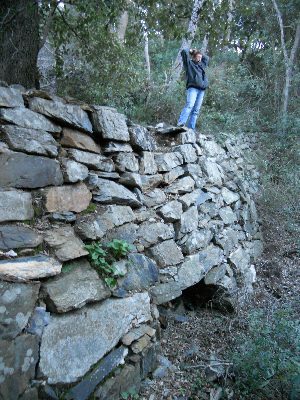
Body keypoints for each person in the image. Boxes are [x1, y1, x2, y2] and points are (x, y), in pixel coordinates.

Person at [177, 48, 209, 131]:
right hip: (193, 88)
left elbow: (207, 58)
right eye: (198, 57)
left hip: (201, 90)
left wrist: (199, 52)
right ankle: (181, 123)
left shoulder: (202, 65)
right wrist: (192, 51)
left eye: (200, 57)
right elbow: (184, 52)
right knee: (190, 105)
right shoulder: (189, 64)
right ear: (193, 57)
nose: (200, 59)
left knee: (195, 111)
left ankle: (191, 129)